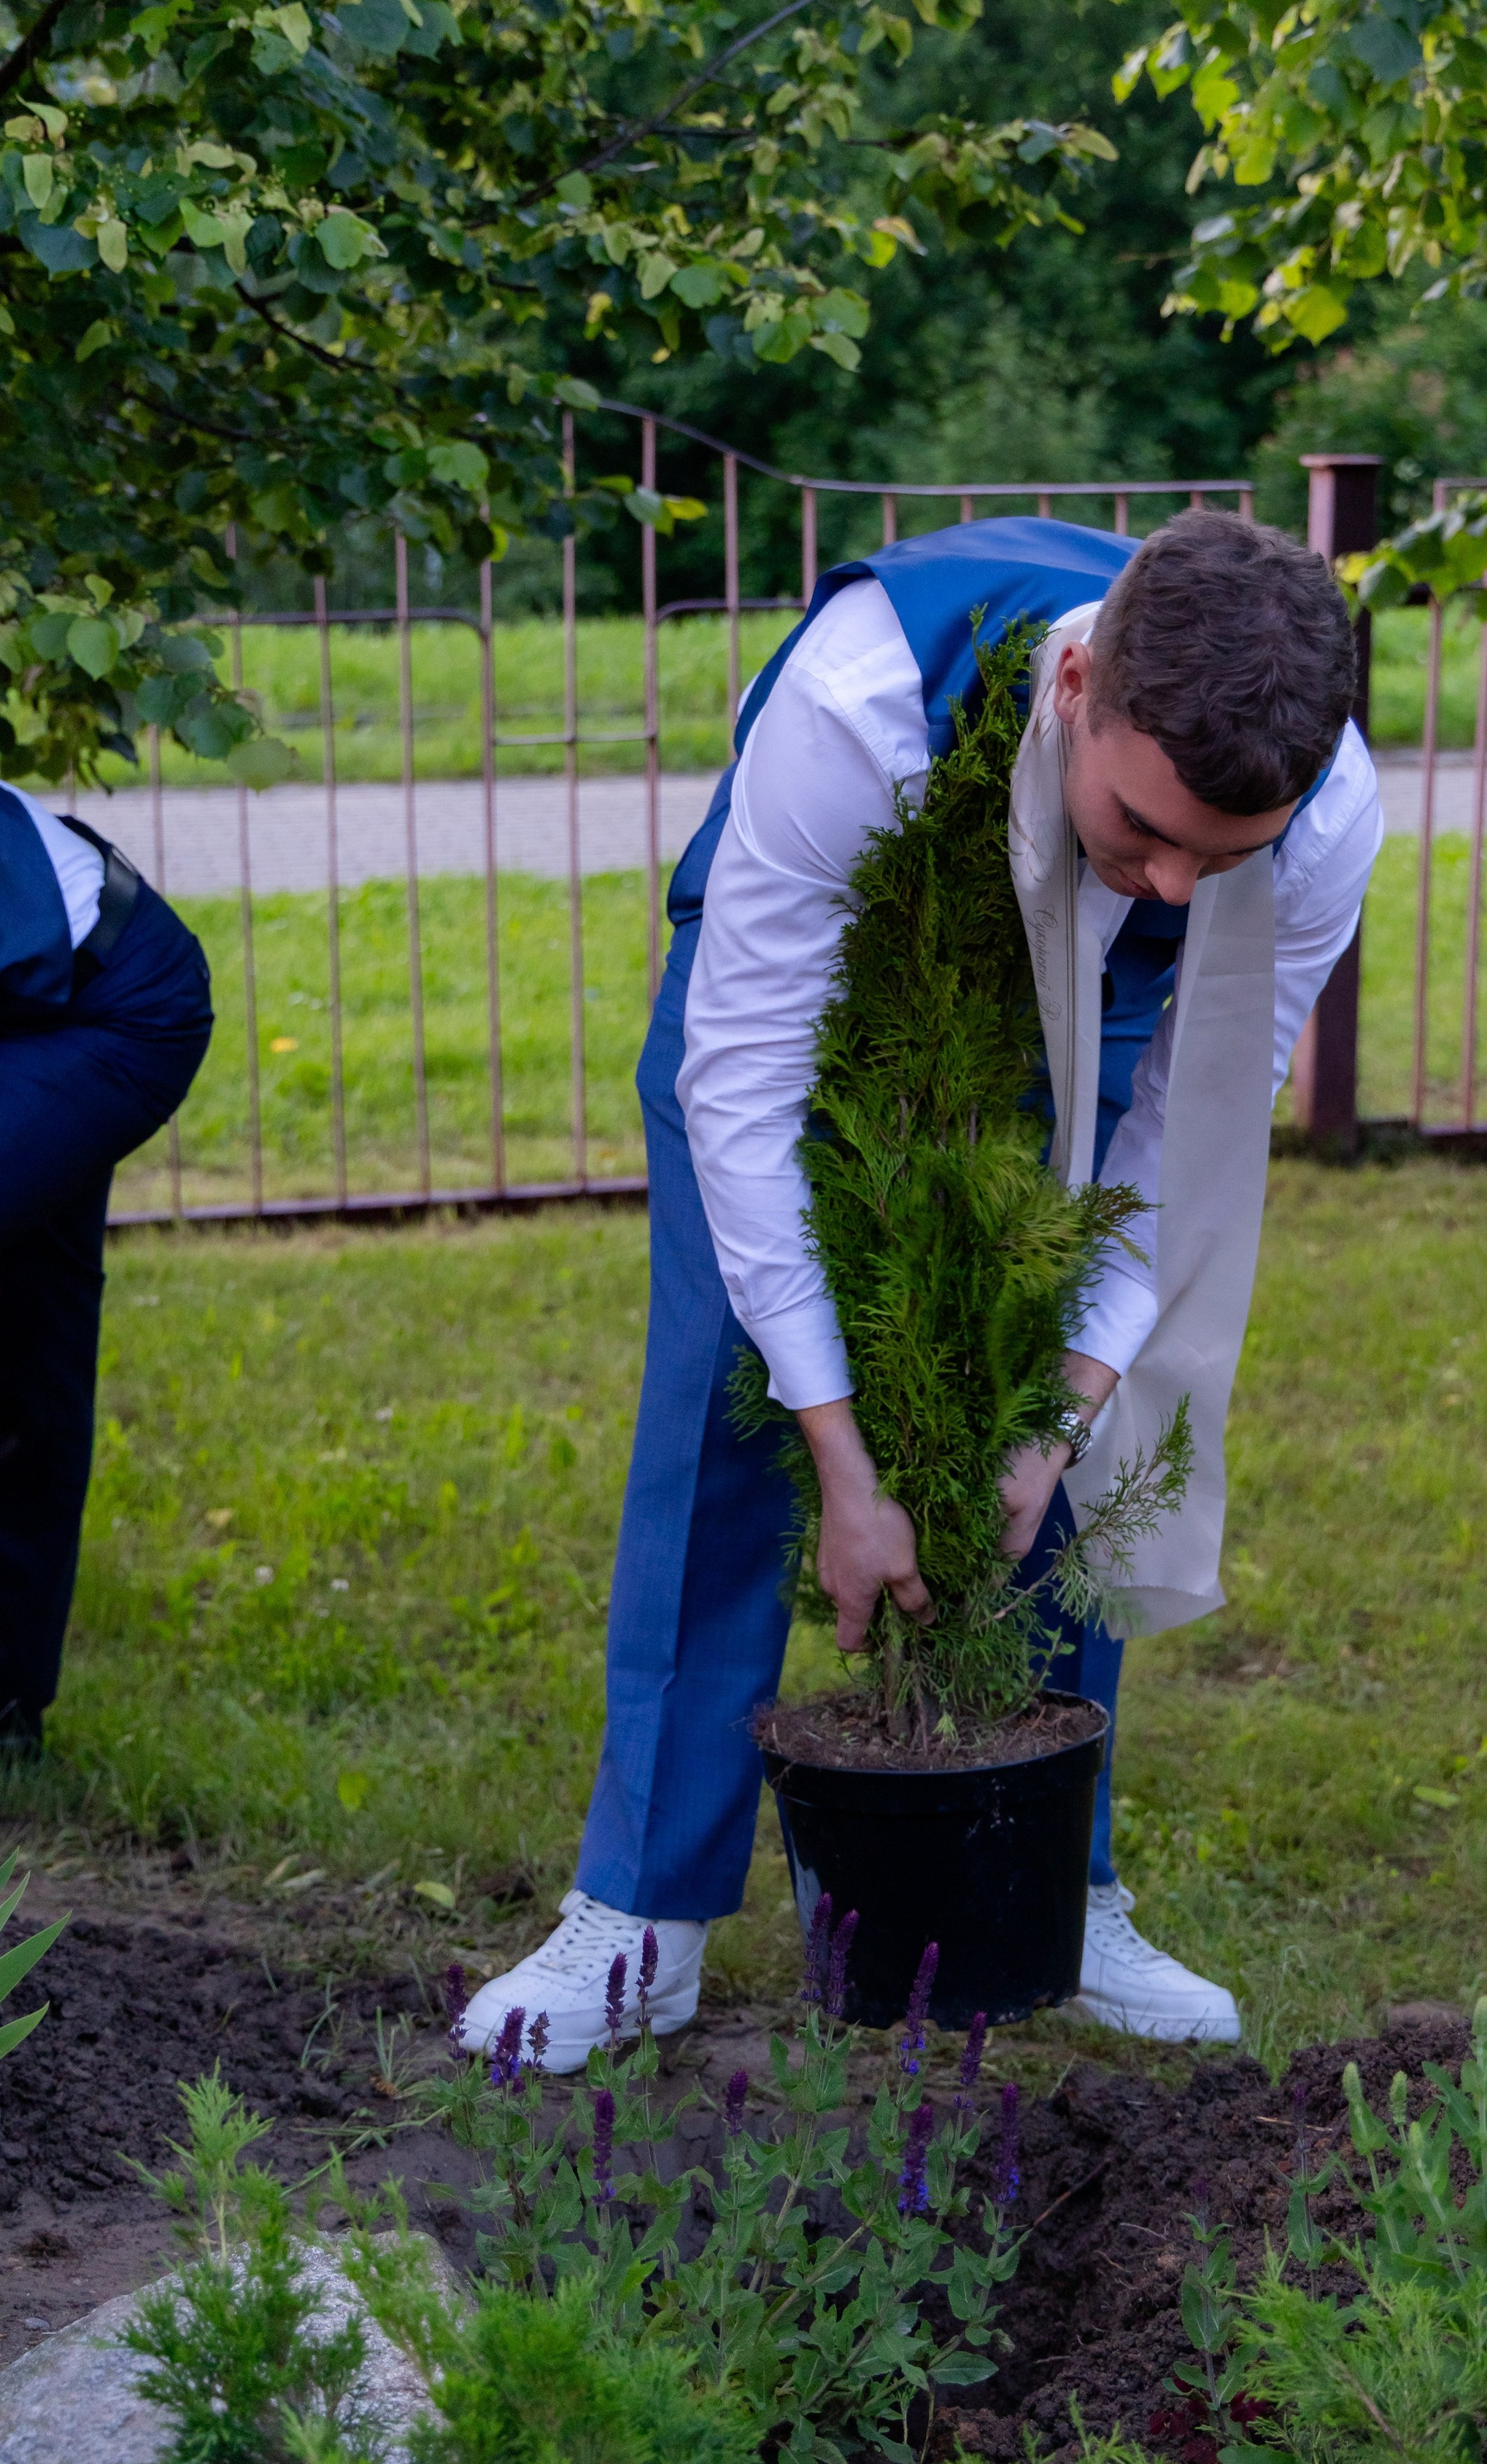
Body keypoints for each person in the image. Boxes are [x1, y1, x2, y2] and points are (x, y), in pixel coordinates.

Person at [464, 507, 1382, 2057]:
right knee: (726, 1403)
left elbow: (1185, 1140)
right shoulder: (859, 707)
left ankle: (1055, 1892)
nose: (1165, 882)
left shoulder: (1325, 812)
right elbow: (745, 1095)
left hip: (1086, 1036)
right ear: (1076, 681)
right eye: (1137, 828)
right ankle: (640, 1918)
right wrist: (839, 1453)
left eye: (1213, 858)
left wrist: (1062, 1412)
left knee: (1059, 1444)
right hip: (804, 1010)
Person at [0, 780, 213, 1756]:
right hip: (28, 1001)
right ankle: (9, 1708)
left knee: (34, 1339)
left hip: (115, 997)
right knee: (29, 1339)